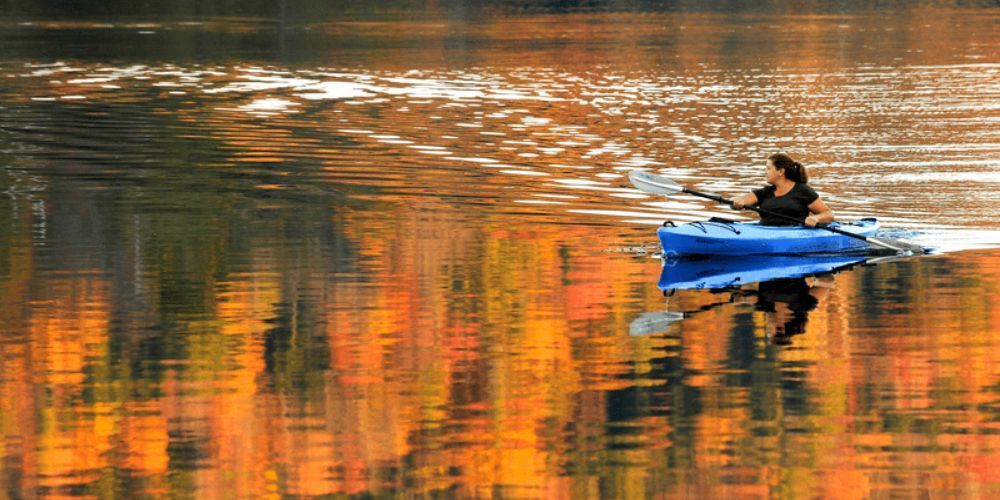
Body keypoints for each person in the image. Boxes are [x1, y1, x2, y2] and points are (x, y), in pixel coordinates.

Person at [731, 153, 834, 227]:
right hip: (764, 231)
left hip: (792, 234)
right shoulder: (765, 192)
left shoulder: (803, 192)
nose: (765, 172)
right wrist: (737, 202)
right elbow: (744, 199)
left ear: (780, 171)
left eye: (768, 168)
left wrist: (815, 218)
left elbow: (828, 214)